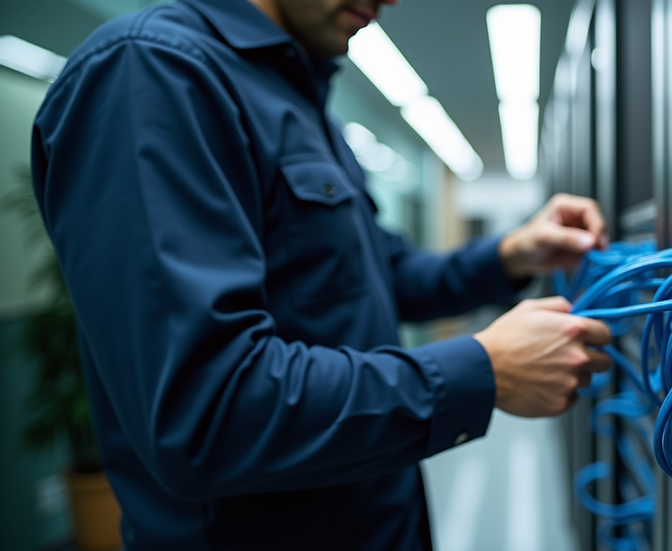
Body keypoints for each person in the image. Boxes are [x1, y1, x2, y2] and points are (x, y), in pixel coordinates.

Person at [30, 0, 612, 549]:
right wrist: (484, 372)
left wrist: (512, 253)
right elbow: (207, 410)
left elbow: (382, 275)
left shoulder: (301, 95)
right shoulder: (153, 71)